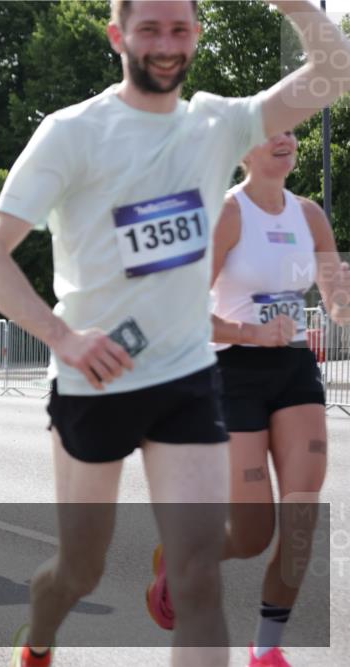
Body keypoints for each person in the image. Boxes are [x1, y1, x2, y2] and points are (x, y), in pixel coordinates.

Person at [0, 1, 350, 665]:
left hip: (187, 379)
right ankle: (40, 637)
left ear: (196, 34)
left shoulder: (218, 123)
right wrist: (64, 337)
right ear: (118, 37)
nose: (166, 45)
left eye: (179, 29)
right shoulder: (71, 132)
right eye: (150, 30)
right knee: (79, 570)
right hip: (96, 378)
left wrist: (290, 3)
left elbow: (334, 73)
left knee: (198, 574)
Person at [144, 131, 350, 667]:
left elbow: (337, 307)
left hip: (294, 370)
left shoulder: (310, 217)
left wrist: (344, 295)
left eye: (290, 130)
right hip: (232, 372)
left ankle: (267, 649)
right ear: (243, 153)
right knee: (254, 534)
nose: (286, 139)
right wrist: (251, 334)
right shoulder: (228, 215)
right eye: (269, 132)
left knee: (302, 517)